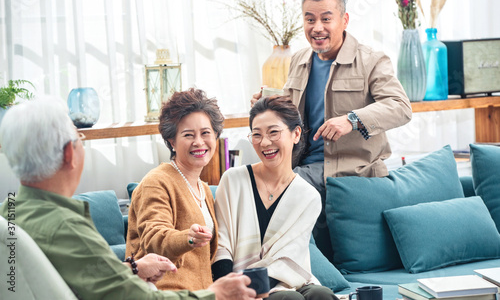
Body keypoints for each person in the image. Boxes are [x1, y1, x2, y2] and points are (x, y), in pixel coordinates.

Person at [0, 96, 257, 300]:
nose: (199, 141)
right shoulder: (66, 226)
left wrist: (134, 267)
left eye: (206, 133)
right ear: (70, 153)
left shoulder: (9, 212)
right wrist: (214, 296)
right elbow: (131, 294)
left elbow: (93, 276)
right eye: (79, 138)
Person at [251, 0, 412, 258]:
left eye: (326, 18)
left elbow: (400, 107)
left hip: (351, 170)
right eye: (309, 19)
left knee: (284, 191)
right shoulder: (299, 60)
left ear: (344, 20)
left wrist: (352, 119)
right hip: (304, 167)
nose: (317, 28)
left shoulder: (372, 60)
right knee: (251, 187)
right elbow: (292, 111)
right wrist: (267, 105)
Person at [213, 95, 338, 300]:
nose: (265, 143)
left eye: (273, 132)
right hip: (238, 285)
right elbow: (221, 245)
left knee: (322, 295)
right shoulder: (233, 180)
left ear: (296, 134)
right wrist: (233, 291)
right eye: (257, 135)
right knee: (289, 299)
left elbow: (289, 260)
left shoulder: (308, 196)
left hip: (289, 281)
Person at [126, 88, 222, 291]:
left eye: (205, 133)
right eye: (188, 135)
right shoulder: (156, 182)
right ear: (172, 142)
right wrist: (188, 237)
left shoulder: (204, 189)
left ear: (215, 136)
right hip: (165, 292)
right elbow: (153, 239)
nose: (199, 142)